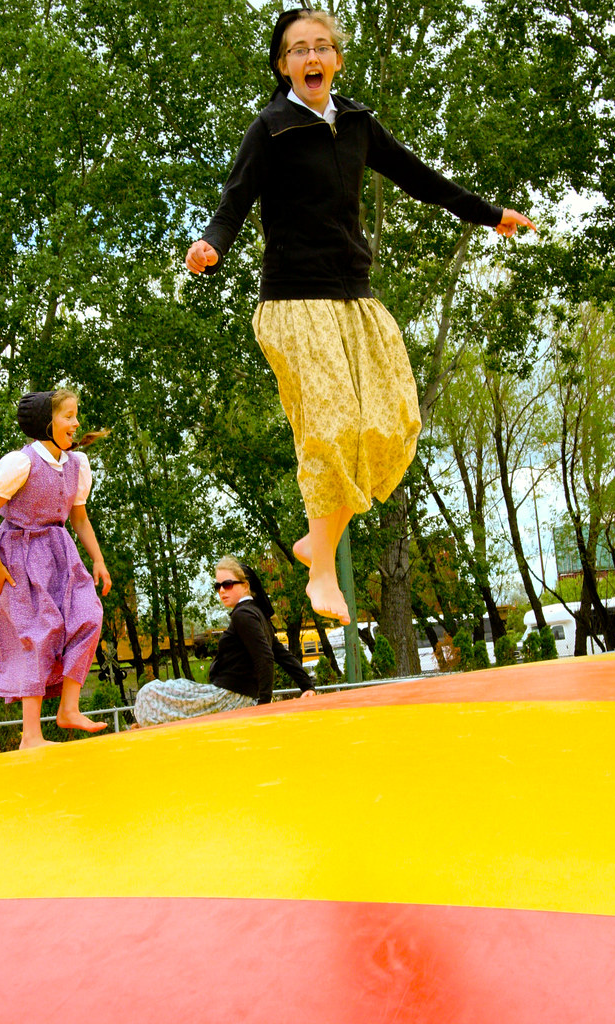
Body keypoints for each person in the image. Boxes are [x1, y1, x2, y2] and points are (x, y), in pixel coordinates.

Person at [186, 7, 536, 627]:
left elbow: (419, 178)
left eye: (322, 47)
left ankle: (314, 540)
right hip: (295, 303)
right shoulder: (271, 129)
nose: (312, 58)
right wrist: (212, 244)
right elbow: (234, 199)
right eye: (299, 50)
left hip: (355, 297)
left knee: (391, 423)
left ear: (338, 60)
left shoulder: (357, 123)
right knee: (330, 426)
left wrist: (490, 214)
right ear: (283, 65)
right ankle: (323, 568)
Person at [0, 389, 112, 749]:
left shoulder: (76, 464)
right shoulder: (21, 463)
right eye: (68, 416)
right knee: (39, 633)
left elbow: (79, 518)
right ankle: (31, 736)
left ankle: (69, 709)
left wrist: (97, 560)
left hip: (58, 549)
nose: (76, 423)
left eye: (75, 415)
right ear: (46, 423)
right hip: (17, 553)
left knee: (88, 615)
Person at [134, 556, 316, 727]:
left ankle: (146, 726)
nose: (222, 590)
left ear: (245, 585)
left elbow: (266, 657)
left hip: (230, 697)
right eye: (218, 586)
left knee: (151, 692)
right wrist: (306, 685)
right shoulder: (257, 613)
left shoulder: (243, 615)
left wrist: (264, 704)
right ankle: (147, 724)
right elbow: (281, 654)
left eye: (228, 584)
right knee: (168, 689)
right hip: (235, 695)